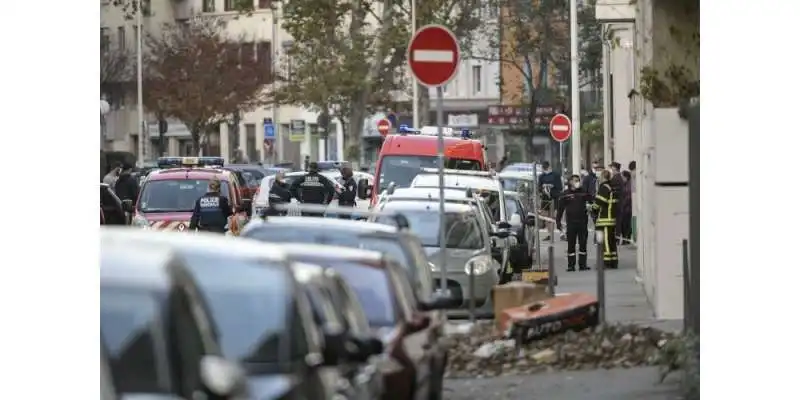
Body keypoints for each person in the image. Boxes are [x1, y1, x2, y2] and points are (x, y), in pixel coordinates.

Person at [557, 175, 593, 271]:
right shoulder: (565, 194)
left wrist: (590, 204)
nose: (577, 182)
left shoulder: (583, 192)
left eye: (578, 180)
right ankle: (571, 265)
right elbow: (560, 209)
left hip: (582, 222)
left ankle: (583, 264)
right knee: (571, 245)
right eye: (575, 181)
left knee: (583, 244)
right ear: (570, 182)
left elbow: (591, 201)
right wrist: (558, 222)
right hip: (571, 223)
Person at [592, 170, 619, 269]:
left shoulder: (604, 187)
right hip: (612, 218)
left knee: (606, 241)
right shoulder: (612, 186)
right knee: (611, 241)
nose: (599, 179)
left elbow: (599, 203)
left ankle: (607, 262)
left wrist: (591, 208)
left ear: (603, 177)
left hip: (605, 218)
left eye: (600, 177)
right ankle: (613, 260)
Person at [619, 170, 633, 244]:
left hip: (627, 209)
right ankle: (625, 239)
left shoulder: (629, 185)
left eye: (622, 177)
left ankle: (626, 239)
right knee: (624, 225)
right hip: (625, 208)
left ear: (626, 177)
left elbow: (628, 197)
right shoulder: (624, 184)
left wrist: (622, 205)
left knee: (626, 224)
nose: (621, 178)